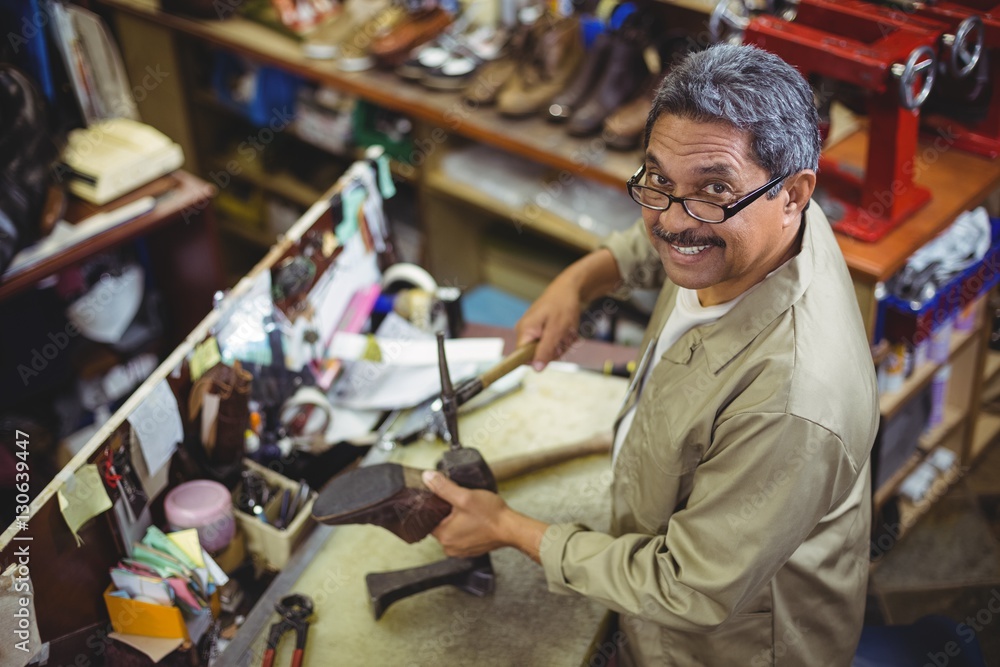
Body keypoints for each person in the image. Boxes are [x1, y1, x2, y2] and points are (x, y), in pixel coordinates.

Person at [421, 43, 879, 666]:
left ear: (795, 194)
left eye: (712, 189)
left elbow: (685, 587)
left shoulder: (792, 401)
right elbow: (659, 239)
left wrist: (507, 528)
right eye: (657, 179)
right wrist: (579, 282)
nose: (672, 219)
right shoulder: (761, 221)